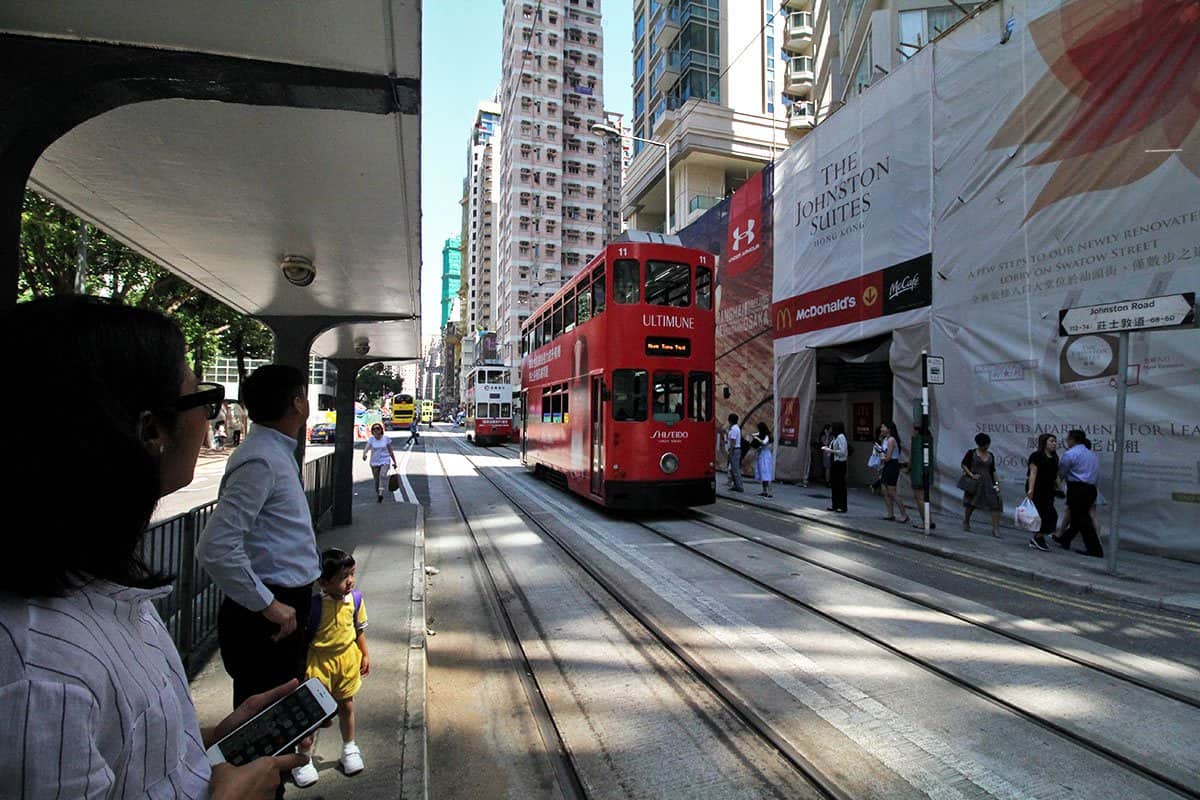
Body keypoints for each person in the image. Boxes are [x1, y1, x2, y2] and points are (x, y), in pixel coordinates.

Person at [0, 296, 305, 799]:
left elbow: (127, 764)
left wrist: (204, 741)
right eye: (199, 403)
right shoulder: (39, 673)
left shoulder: (111, 599)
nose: (207, 422)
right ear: (148, 430)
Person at [198, 365, 322, 712]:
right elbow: (216, 545)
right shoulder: (262, 460)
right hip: (268, 618)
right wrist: (269, 604)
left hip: (283, 609)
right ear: (298, 403)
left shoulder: (274, 452)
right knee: (264, 723)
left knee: (282, 715)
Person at [291, 549, 371, 787]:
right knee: (312, 712)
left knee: (347, 705)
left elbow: (359, 630)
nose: (350, 581)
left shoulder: (355, 599)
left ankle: (349, 747)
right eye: (342, 577)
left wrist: (365, 654)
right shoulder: (314, 606)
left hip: (347, 661)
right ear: (323, 582)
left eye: (352, 574)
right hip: (319, 665)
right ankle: (302, 758)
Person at [1054, 430, 1103, 557]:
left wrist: (1058, 485)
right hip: (1091, 488)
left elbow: (1062, 472)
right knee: (1077, 517)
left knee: (1082, 518)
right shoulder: (1092, 454)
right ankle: (1065, 539)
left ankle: (1095, 549)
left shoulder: (1070, 454)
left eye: (1067, 439)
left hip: (1077, 488)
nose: (1066, 441)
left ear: (1072, 439)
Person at [961, 432, 1002, 537]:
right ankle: (966, 521)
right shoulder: (972, 453)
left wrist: (996, 484)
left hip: (988, 482)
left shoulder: (990, 455)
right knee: (971, 504)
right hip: (976, 483)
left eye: (987, 444)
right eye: (984, 445)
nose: (986, 447)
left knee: (995, 505)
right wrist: (971, 475)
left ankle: (996, 529)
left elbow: (992, 471)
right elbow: (964, 464)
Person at [1025, 433, 1059, 551]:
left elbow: (1055, 475)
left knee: (1051, 514)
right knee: (1043, 513)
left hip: (1049, 489)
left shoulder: (1054, 457)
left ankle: (1038, 537)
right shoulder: (1037, 456)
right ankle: (1038, 537)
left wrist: (1058, 487)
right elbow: (1033, 473)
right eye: (1051, 441)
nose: (1054, 444)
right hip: (1038, 488)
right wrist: (1031, 489)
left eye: (1055, 441)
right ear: (1044, 442)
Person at [879, 421, 911, 523]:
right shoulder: (885, 439)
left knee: (892, 491)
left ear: (889, 429)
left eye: (883, 427)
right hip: (886, 465)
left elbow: (888, 457)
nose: (881, 429)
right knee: (884, 489)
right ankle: (890, 514)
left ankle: (904, 515)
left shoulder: (891, 440)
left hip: (892, 465)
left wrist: (880, 458)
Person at [907, 423, 936, 529]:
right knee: (924, 498)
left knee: (919, 498)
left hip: (917, 473)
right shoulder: (929, 439)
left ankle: (925, 521)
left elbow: (912, 458)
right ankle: (929, 520)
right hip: (927, 472)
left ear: (917, 431)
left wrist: (908, 468)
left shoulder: (916, 441)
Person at [362, 422, 397, 502]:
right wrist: (364, 454)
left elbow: (390, 451)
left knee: (382, 475)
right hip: (374, 462)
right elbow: (367, 447)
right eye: (374, 429)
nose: (376, 430)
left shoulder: (386, 439)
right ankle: (378, 494)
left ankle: (381, 493)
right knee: (376, 480)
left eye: (378, 428)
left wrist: (394, 462)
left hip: (385, 460)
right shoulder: (371, 439)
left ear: (381, 430)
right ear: (372, 431)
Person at [822, 422, 849, 512]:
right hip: (834, 463)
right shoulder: (835, 438)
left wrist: (830, 450)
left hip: (840, 463)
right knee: (835, 485)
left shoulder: (841, 437)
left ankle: (842, 506)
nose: (832, 430)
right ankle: (835, 505)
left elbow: (842, 451)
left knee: (840, 485)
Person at [751, 422, 774, 497]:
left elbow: (764, 443)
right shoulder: (763, 434)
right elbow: (754, 434)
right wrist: (756, 435)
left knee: (767, 473)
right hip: (762, 454)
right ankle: (764, 491)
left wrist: (757, 438)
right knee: (762, 473)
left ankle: (770, 492)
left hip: (766, 455)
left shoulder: (767, 436)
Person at [726, 413, 745, 492]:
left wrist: (731, 452)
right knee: (734, 469)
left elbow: (733, 442)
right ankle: (735, 485)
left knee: (735, 469)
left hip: (734, 450)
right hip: (736, 450)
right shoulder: (736, 428)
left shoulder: (734, 429)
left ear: (730, 420)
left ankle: (739, 486)